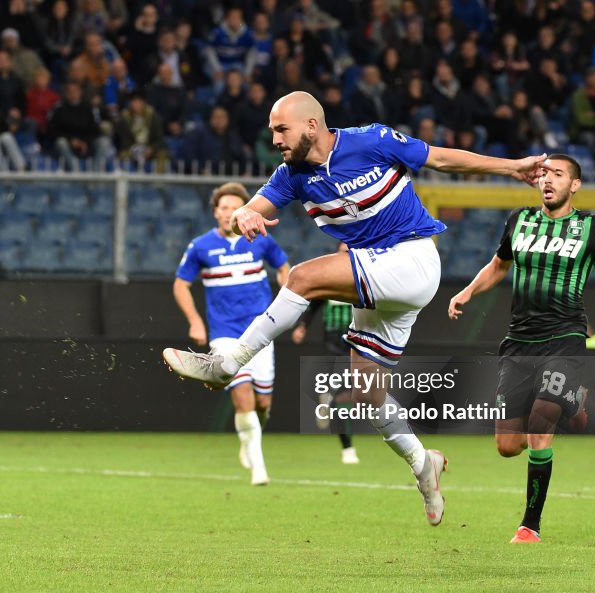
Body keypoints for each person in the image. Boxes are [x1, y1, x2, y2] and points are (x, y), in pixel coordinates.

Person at [163, 91, 546, 526]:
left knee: (303, 277)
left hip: (412, 259)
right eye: (272, 130)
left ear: (311, 125)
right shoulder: (291, 175)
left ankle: (229, 362)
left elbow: (440, 158)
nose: (274, 139)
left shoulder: (370, 140)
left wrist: (512, 166)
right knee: (367, 392)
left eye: (281, 129)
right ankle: (423, 463)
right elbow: (250, 208)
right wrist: (245, 215)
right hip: (378, 274)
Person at [447, 154, 595, 543]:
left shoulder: (592, 227)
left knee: (541, 422)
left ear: (575, 185)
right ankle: (574, 398)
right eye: (544, 174)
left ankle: (529, 525)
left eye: (558, 174)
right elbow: (499, 266)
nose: (548, 180)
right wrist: (466, 292)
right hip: (518, 342)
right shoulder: (519, 221)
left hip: (565, 338)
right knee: (507, 447)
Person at [173, 182, 290, 485]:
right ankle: (259, 468)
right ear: (215, 212)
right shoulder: (200, 247)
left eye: (234, 208)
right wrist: (195, 321)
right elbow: (180, 284)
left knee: (263, 404)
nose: (228, 213)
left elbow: (284, 268)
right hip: (225, 334)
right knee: (242, 397)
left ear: (244, 212)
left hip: (261, 332)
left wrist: (286, 300)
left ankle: (247, 438)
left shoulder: (260, 240)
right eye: (223, 208)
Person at [291, 242, 359, 465]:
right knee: (342, 393)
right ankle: (347, 448)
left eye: (349, 252)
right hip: (334, 344)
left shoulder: (365, 280)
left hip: (358, 343)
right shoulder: (329, 281)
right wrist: (302, 326)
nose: (345, 256)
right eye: (342, 252)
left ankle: (328, 399)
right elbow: (313, 305)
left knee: (356, 394)